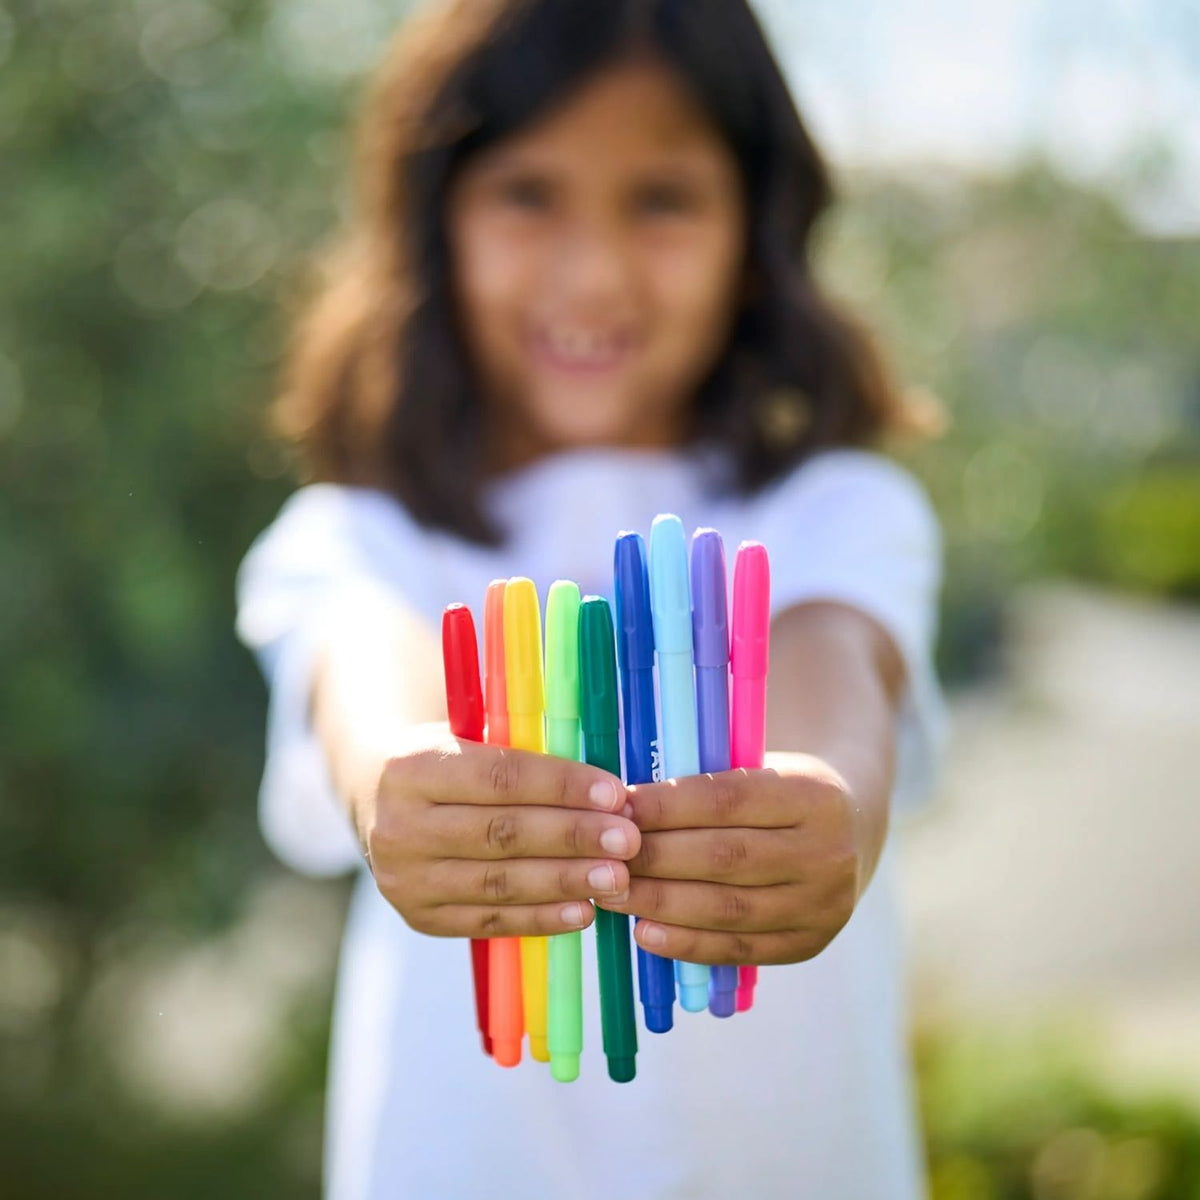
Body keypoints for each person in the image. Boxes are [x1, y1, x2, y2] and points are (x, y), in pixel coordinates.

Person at [235, 1, 946, 1196]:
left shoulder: (836, 509)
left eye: (662, 199)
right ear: (435, 220)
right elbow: (366, 671)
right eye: (528, 192)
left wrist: (836, 799)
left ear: (756, 228)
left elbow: (835, 659)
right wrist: (401, 780)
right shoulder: (358, 537)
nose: (594, 270)